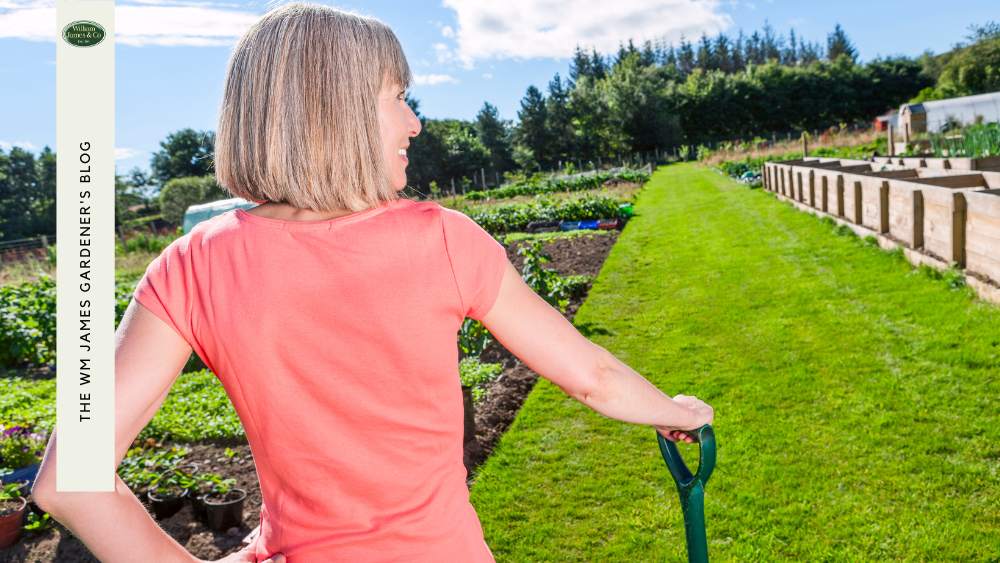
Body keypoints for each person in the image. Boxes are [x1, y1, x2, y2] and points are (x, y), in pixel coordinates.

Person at [30, 3, 713, 562]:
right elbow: (589, 374)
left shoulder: (191, 263)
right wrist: (678, 411)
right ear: (339, 109)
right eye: (398, 98)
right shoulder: (442, 239)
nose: (414, 122)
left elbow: (72, 481)